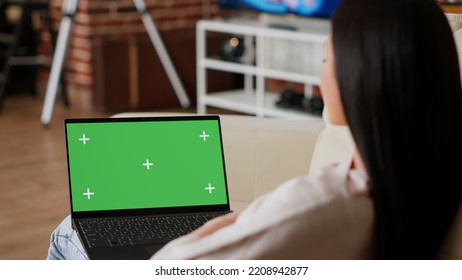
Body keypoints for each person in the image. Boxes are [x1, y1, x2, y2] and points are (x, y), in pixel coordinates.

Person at [47, 0, 462, 260]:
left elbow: (171, 265)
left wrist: (220, 225)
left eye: (325, 60)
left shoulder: (319, 205)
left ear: (361, 80)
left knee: (69, 230)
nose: (320, 78)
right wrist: (245, 218)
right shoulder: (427, 178)